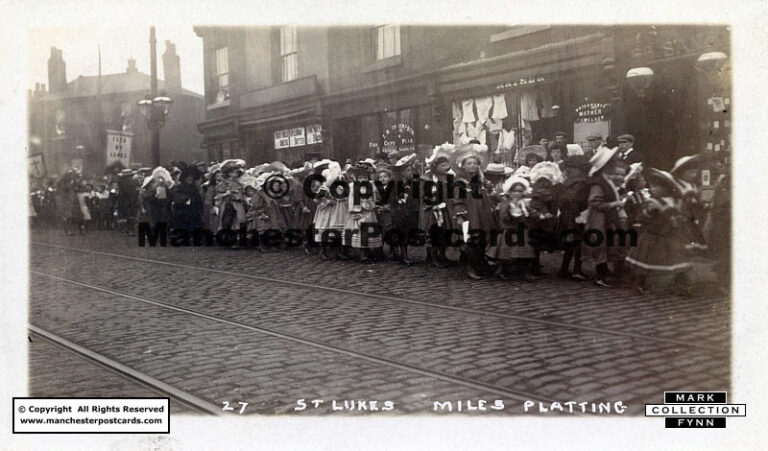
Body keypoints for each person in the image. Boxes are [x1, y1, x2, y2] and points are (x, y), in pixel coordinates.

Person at [625, 169, 693, 295]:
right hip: (653, 236)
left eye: (657, 186)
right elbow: (642, 217)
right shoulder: (652, 202)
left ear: (666, 188)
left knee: (678, 259)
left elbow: (680, 215)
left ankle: (681, 283)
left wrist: (680, 218)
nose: (653, 189)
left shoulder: (675, 201)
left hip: (671, 236)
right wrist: (649, 212)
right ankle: (640, 282)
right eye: (652, 186)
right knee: (647, 261)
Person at [582, 146, 627, 288]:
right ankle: (600, 276)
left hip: (606, 216)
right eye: (612, 162)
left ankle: (604, 272)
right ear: (606, 165)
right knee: (600, 244)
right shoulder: (599, 182)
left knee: (606, 243)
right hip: (599, 217)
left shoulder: (606, 180)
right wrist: (614, 204)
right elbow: (595, 201)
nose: (615, 164)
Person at [451, 144, 497, 279]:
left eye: (475, 163)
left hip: (483, 214)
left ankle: (481, 264)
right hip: (469, 215)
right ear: (463, 166)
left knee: (483, 239)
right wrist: (460, 216)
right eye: (469, 163)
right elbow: (457, 200)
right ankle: (471, 267)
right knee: (471, 240)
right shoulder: (460, 183)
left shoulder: (482, 180)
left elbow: (490, 193)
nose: (472, 166)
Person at [486, 175, 537, 281]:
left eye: (520, 191)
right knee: (506, 254)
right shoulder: (506, 204)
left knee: (526, 252)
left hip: (522, 231)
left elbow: (530, 212)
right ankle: (501, 271)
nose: (517, 194)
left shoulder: (524, 203)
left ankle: (526, 272)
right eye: (515, 191)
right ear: (509, 192)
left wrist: (537, 215)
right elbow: (504, 217)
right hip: (510, 231)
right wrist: (513, 213)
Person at [419, 143, 457, 268]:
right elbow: (423, 195)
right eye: (443, 165)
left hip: (445, 210)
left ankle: (442, 254)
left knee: (444, 232)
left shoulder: (448, 179)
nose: (446, 167)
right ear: (436, 167)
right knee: (433, 232)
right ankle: (432, 256)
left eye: (447, 164)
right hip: (432, 211)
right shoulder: (427, 180)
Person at [556, 155, 591, 280]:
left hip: (566, 214)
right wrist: (578, 215)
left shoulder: (569, 180)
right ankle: (577, 270)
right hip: (575, 215)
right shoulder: (581, 181)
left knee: (570, 244)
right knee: (578, 243)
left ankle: (564, 269)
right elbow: (574, 199)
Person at [345, 161, 383, 262]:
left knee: (369, 232)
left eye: (365, 178)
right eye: (360, 178)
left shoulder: (371, 187)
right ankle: (362, 254)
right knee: (361, 233)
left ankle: (369, 251)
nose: (363, 180)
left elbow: (374, 198)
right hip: (359, 212)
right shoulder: (354, 187)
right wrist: (355, 211)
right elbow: (352, 200)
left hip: (368, 212)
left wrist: (371, 204)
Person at [170, 166, 204, 234]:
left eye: (192, 177)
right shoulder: (180, 187)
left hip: (194, 213)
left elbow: (198, 200)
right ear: (185, 178)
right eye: (188, 177)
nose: (190, 179)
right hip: (182, 213)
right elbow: (176, 198)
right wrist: (187, 199)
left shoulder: (195, 188)